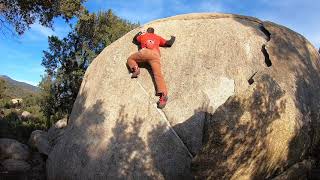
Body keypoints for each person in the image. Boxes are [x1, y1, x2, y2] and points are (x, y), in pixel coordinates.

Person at [127, 27, 175, 109]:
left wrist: (140, 33)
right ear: (153, 32)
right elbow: (169, 43)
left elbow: (135, 39)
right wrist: (173, 37)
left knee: (130, 59)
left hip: (144, 52)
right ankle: (163, 96)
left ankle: (135, 68)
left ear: (147, 31)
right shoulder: (157, 37)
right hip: (155, 55)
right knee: (158, 75)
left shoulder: (143, 36)